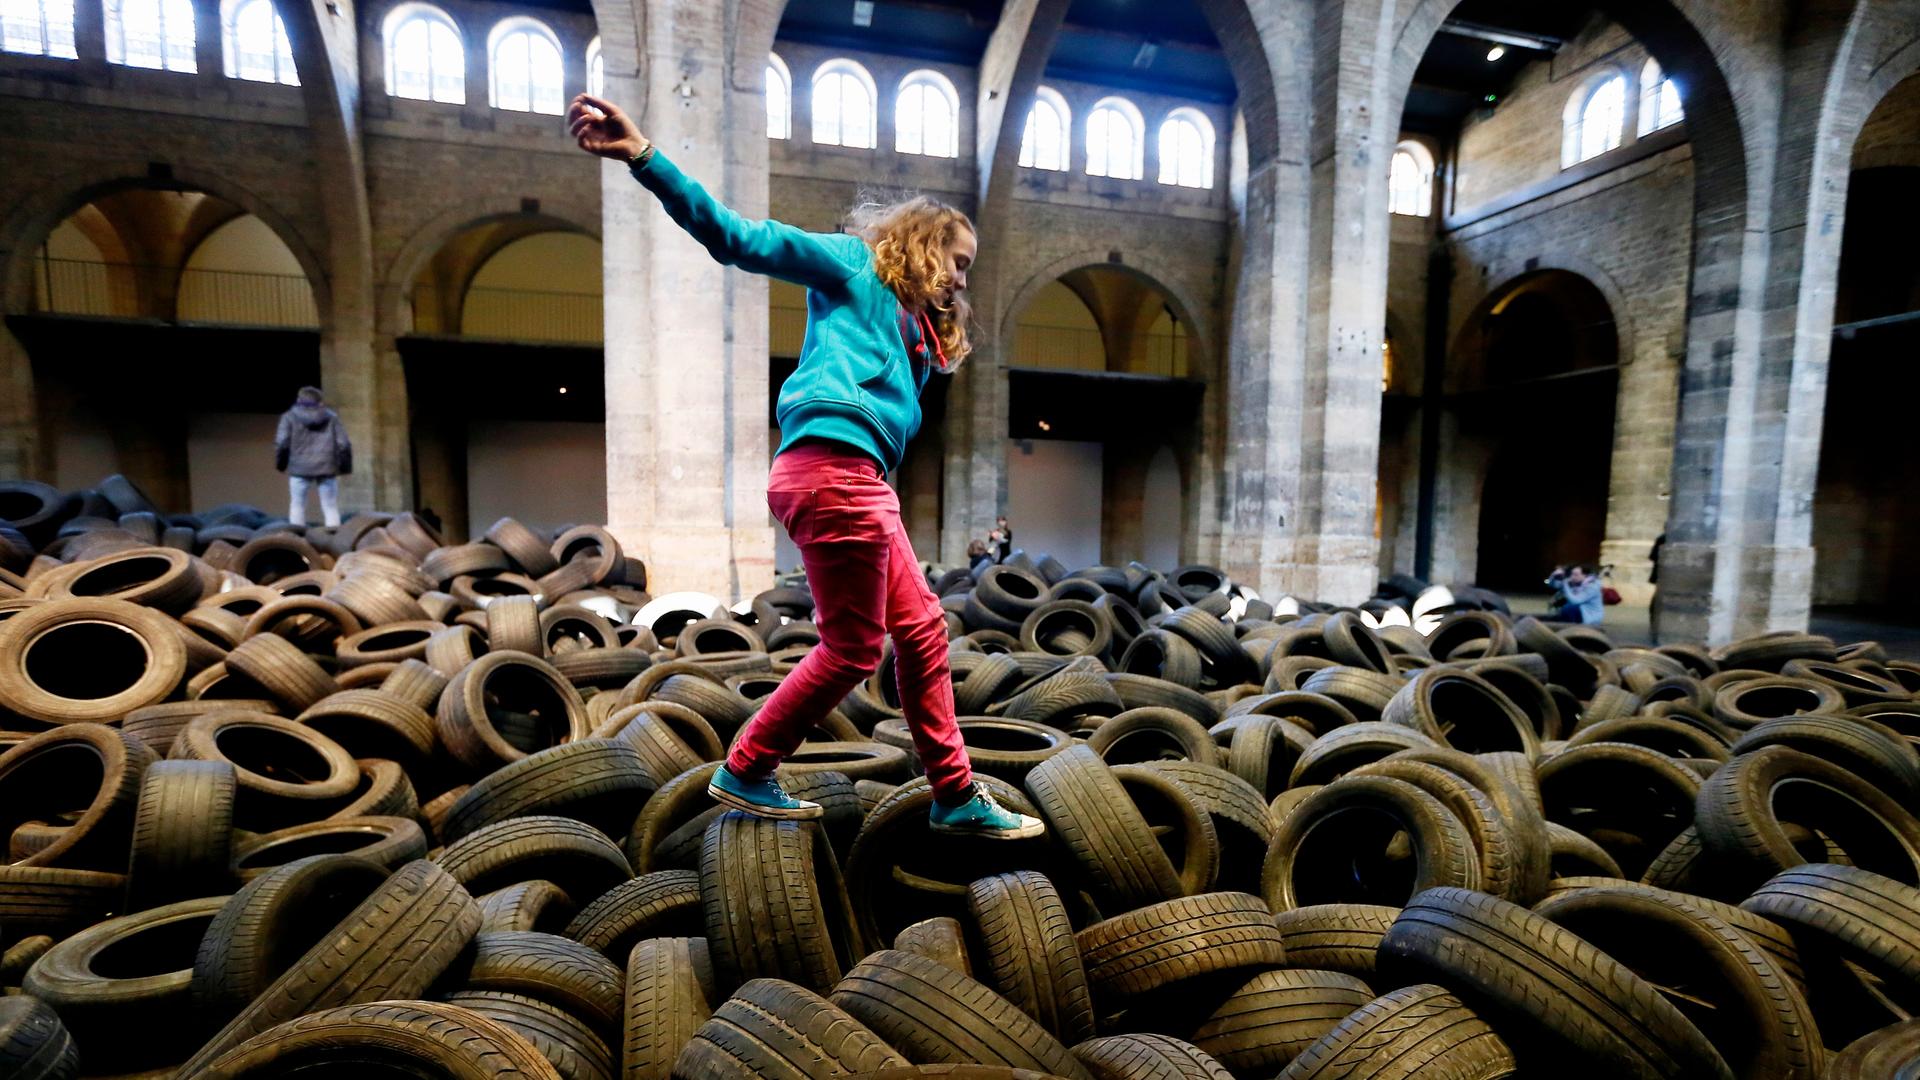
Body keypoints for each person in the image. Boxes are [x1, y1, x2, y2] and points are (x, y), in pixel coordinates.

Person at [569, 93, 1040, 838]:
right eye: (956, 262)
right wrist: (644, 157)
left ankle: (937, 792)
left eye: (967, 271)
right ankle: (761, 769)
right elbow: (736, 238)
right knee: (861, 647)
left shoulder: (918, 331)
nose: (960, 280)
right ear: (921, 242)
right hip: (834, 474)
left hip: (848, 480)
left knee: (910, 636)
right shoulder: (852, 265)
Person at [274, 386, 351, 528]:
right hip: (326, 467)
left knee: (297, 504)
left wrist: (281, 464)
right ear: (320, 401)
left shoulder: (288, 417)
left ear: (299, 400)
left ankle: (296, 540)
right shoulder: (331, 418)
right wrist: (343, 468)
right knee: (330, 506)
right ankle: (334, 539)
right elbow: (344, 444)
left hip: (298, 467)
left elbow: (282, 442)